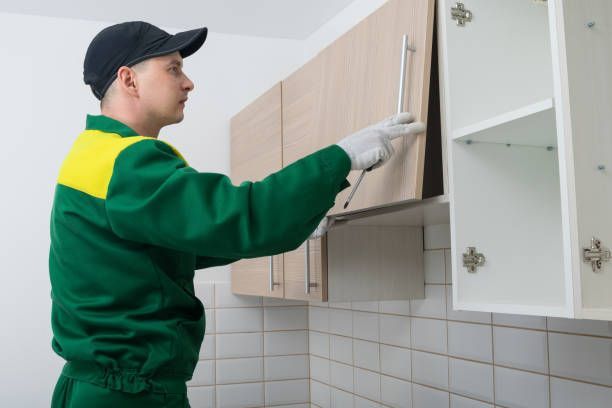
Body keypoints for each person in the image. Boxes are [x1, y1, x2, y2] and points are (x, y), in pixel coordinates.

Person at [49, 21, 425, 407]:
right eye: (173, 68)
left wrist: (300, 218)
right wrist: (339, 158)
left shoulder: (95, 157)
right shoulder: (126, 162)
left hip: (104, 389)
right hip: (126, 396)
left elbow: (183, 245)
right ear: (129, 80)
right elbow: (235, 214)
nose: (188, 82)